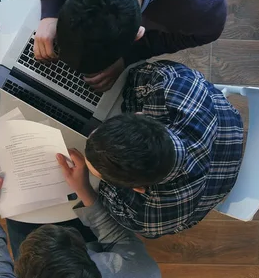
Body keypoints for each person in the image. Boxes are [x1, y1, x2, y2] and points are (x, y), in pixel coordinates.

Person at [78, 60, 244, 238]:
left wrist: (83, 186)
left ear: (140, 189)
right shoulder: (174, 83)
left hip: (211, 181)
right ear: (139, 115)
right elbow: (136, 74)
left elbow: (112, 203)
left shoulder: (148, 217)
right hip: (226, 133)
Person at [34, 0, 226, 92]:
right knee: (36, 15)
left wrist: (129, 57)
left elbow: (204, 34)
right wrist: (50, 12)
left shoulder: (206, 6)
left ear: (138, 34)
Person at [0, 149, 161, 278]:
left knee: (18, 215)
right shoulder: (141, 272)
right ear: (89, 261)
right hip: (91, 243)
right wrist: (84, 189)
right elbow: (120, 239)